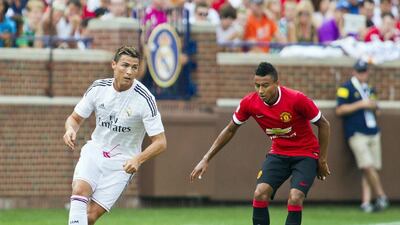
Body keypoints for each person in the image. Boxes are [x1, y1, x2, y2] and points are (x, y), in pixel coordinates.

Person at [190, 62, 331, 225]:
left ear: (277, 83)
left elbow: (324, 124)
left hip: (305, 154)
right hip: (279, 153)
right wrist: (206, 158)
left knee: (295, 197)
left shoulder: (297, 99)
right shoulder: (249, 103)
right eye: (257, 85)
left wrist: (322, 160)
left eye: (265, 85)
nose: (261, 91)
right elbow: (230, 130)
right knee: (259, 193)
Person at [63, 46, 167, 225]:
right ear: (113, 65)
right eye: (125, 65)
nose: (129, 71)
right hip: (95, 151)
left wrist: (138, 159)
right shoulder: (98, 88)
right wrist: (70, 130)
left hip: (122, 163)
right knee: (79, 192)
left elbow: (161, 142)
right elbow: (74, 119)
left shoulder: (145, 99)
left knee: (90, 216)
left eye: (134, 67)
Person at [336, 59, 389, 213]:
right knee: (366, 165)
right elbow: (339, 110)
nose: (362, 74)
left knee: (371, 168)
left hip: (372, 130)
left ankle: (366, 203)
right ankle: (381, 195)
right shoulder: (345, 88)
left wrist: (374, 106)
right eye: (360, 71)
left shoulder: (370, 89)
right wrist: (361, 104)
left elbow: (377, 110)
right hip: (356, 132)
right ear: (354, 72)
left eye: (364, 71)